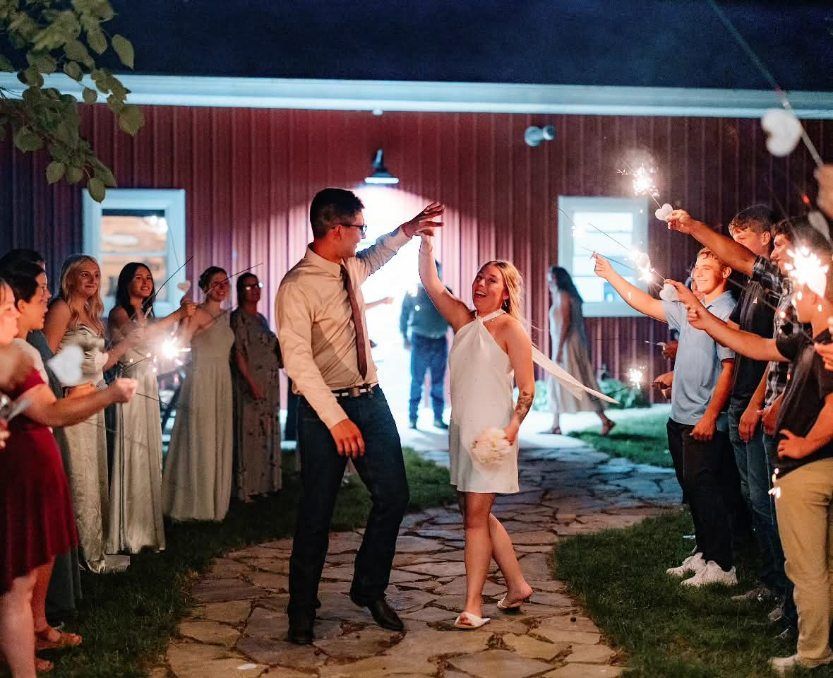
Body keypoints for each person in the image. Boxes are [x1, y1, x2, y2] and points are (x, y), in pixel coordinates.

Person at [276, 188, 443, 645]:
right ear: (336, 230)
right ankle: (302, 611)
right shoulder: (296, 287)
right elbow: (297, 361)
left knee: (395, 495)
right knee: (316, 512)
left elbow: (377, 255)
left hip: (370, 400)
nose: (362, 236)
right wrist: (335, 419)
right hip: (321, 410)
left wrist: (409, 230)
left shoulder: (348, 266)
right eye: (359, 229)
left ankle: (368, 589)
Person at [671, 229, 833, 674]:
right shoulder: (808, 337)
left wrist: (803, 444)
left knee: (809, 566)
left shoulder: (827, 339)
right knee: (818, 563)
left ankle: (814, 653)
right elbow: (759, 347)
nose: (789, 300)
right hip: (806, 463)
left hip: (809, 465)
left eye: (798, 287)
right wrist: (706, 320)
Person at [0, 276, 137, 676]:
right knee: (15, 591)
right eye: (7, 305)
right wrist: (108, 395)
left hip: (27, 469)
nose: (39, 301)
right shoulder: (12, 358)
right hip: (20, 477)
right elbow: (49, 410)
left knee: (16, 589)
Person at [594, 249, 738, 587]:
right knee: (692, 488)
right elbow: (645, 304)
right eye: (697, 267)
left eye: (708, 267)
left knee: (706, 490)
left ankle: (724, 566)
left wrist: (710, 416)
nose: (699, 272)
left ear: (727, 272)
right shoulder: (690, 308)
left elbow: (729, 369)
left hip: (703, 419)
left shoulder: (726, 311)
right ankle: (704, 554)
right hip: (680, 416)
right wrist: (610, 276)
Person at [417, 232, 535, 629]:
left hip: (493, 436)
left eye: (491, 280)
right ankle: (517, 585)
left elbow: (528, 387)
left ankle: (473, 605)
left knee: (473, 519)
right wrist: (427, 247)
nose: (481, 284)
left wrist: (513, 427)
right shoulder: (464, 321)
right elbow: (432, 285)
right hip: (463, 431)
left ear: (505, 294)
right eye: (479, 277)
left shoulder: (510, 329)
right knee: (475, 514)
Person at [43, 254, 135, 573]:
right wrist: (68, 384)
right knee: (78, 476)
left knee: (94, 474)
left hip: (94, 401)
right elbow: (48, 355)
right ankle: (79, 558)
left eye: (96, 275)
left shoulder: (92, 316)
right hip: (73, 402)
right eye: (85, 274)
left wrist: (127, 344)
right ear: (69, 278)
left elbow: (102, 364)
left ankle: (95, 550)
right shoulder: (62, 309)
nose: (92, 280)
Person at [106, 262, 194, 553]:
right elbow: (139, 336)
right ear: (125, 282)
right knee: (132, 449)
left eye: (148, 277)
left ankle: (146, 528)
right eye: (138, 277)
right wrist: (177, 315)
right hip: (129, 386)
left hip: (149, 383)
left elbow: (167, 344)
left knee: (147, 453)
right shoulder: (119, 313)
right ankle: (128, 531)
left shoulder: (150, 315)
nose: (145, 281)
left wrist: (184, 319)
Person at [162, 266, 235, 522]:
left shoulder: (227, 316)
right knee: (201, 436)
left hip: (222, 380)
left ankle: (216, 503)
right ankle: (196, 505)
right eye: (216, 282)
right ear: (205, 287)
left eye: (225, 282)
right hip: (203, 378)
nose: (222, 286)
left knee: (218, 436)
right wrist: (184, 317)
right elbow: (181, 342)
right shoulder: (199, 314)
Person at [545, 265, 614, 435]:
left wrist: (560, 349)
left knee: (570, 380)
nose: (548, 281)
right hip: (574, 343)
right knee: (568, 380)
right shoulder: (571, 295)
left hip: (567, 344)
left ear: (557, 279)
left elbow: (566, 323)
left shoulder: (563, 295)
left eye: (550, 278)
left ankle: (604, 420)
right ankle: (556, 424)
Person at [230, 273, 282, 500]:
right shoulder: (237, 319)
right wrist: (251, 382)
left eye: (257, 285)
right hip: (250, 382)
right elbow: (239, 352)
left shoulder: (261, 318)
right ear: (240, 291)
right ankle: (247, 487)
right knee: (249, 432)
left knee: (266, 432)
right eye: (248, 286)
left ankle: (265, 485)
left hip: (269, 381)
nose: (254, 290)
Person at [400, 263, 450, 430]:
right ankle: (412, 418)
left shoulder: (446, 292)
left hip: (440, 341)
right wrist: (404, 336)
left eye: (436, 272)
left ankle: (438, 418)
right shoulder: (413, 292)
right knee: (417, 380)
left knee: (438, 382)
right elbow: (404, 315)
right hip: (420, 340)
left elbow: (455, 315)